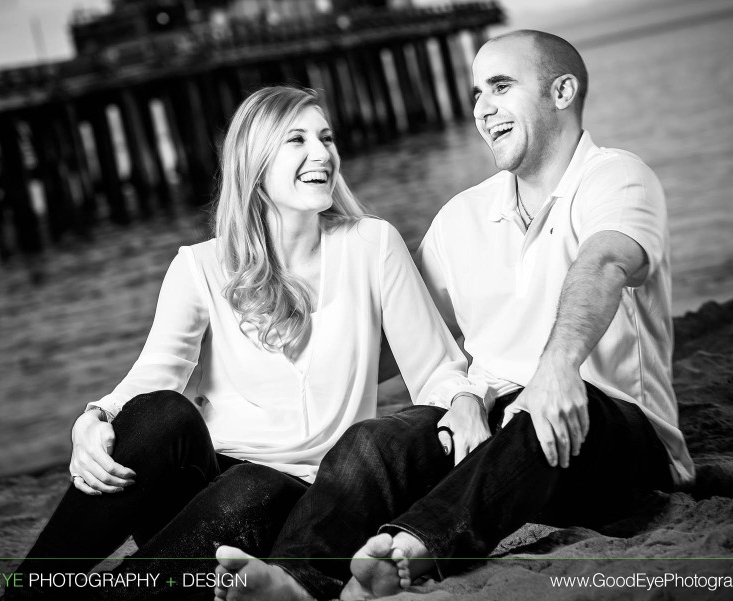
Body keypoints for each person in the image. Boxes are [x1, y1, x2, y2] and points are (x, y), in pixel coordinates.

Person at [213, 30, 695, 601]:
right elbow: (391, 345)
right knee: (376, 441)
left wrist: (558, 368)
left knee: (539, 411)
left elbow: (605, 262)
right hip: (489, 436)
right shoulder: (461, 217)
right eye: (474, 94)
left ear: (562, 91)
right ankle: (297, 580)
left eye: (500, 86)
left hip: (618, 439)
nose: (481, 109)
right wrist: (258, 392)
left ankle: (414, 550)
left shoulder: (615, 176)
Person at [6, 86, 487, 600]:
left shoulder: (372, 245)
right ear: (255, 165)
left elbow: (435, 368)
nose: (322, 153)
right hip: (202, 495)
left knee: (256, 486)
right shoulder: (200, 266)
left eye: (326, 138)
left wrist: (464, 401)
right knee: (162, 413)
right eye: (296, 140)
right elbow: (153, 377)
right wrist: (94, 418)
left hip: (300, 501)